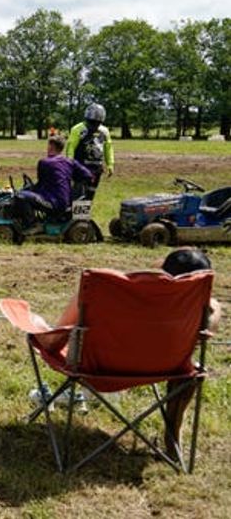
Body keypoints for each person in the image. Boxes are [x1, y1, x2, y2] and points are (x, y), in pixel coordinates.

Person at [33, 247, 220, 456]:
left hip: (97, 369)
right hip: (168, 369)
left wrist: (34, 326)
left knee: (39, 326)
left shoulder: (103, 289)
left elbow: (53, 343)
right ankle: (173, 439)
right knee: (192, 372)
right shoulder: (199, 307)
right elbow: (213, 311)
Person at [14, 134, 93, 231]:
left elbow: (41, 184)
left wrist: (27, 189)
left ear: (51, 147)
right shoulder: (70, 162)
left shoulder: (44, 162)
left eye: (48, 145)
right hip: (66, 202)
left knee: (21, 196)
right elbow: (88, 175)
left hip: (54, 203)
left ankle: (32, 225)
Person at [65, 103, 115, 200]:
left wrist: (110, 164)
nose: (94, 125)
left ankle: (85, 213)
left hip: (96, 168)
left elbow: (108, 147)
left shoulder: (104, 131)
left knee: (91, 192)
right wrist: (69, 164)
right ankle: (75, 214)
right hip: (80, 167)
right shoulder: (78, 129)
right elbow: (71, 147)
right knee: (78, 193)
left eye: (97, 123)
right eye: (92, 122)